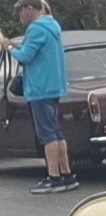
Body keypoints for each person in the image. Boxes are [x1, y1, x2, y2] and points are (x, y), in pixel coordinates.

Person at [3, 0, 74, 194]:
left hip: (40, 87)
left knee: (47, 134)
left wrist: (8, 47)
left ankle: (54, 177)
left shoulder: (36, 29)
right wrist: (16, 45)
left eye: (21, 11)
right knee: (57, 132)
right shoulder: (52, 26)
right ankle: (67, 175)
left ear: (30, 8)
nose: (21, 16)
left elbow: (25, 57)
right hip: (54, 85)